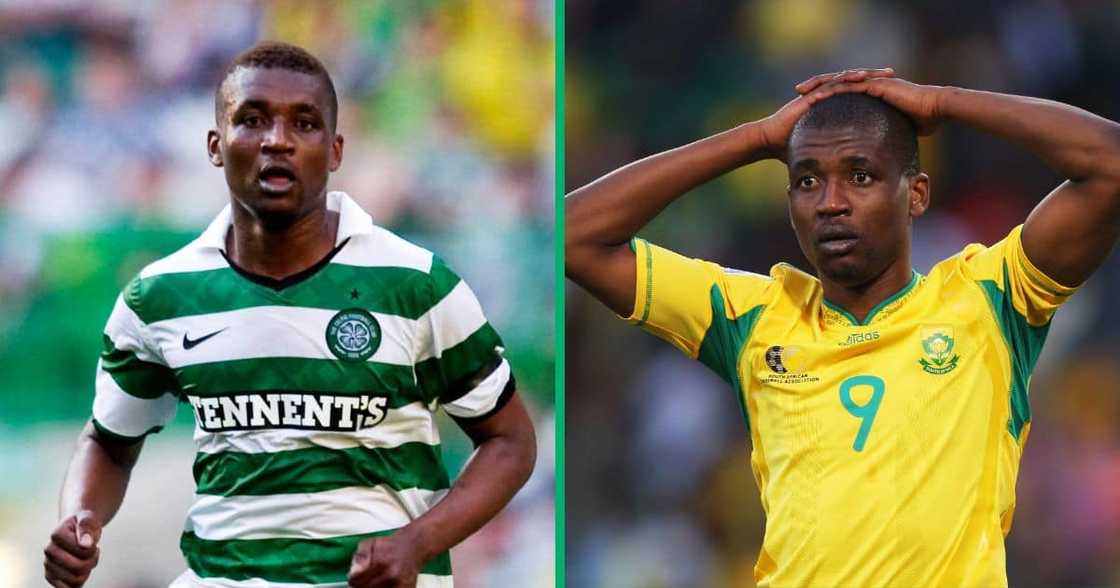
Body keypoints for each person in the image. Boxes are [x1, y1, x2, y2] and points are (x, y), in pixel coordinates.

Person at [565, 67, 1120, 587]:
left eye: (859, 176)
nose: (831, 203)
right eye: (807, 181)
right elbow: (572, 234)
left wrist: (943, 102)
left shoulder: (988, 299)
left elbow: (1110, 163)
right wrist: (757, 139)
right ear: (789, 205)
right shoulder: (754, 316)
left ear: (916, 194)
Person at [43, 41, 536, 588]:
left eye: (304, 124)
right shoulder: (160, 296)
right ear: (215, 143)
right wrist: (79, 517)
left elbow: (510, 441)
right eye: (252, 120)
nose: (277, 140)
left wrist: (417, 542)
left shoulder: (416, 283)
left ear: (335, 150)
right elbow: (109, 440)